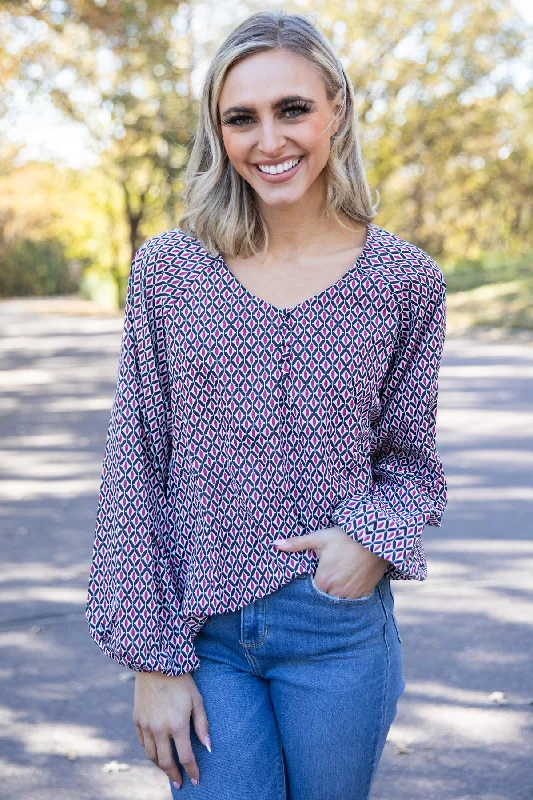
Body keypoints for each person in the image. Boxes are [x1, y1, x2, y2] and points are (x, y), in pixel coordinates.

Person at [85, 10, 448, 800]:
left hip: (337, 631)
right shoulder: (170, 271)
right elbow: (135, 460)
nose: (268, 140)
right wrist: (152, 660)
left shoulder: (403, 280)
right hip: (201, 635)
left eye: (292, 109)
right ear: (217, 132)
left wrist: (370, 542)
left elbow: (412, 465)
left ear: (336, 111)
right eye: (239, 118)